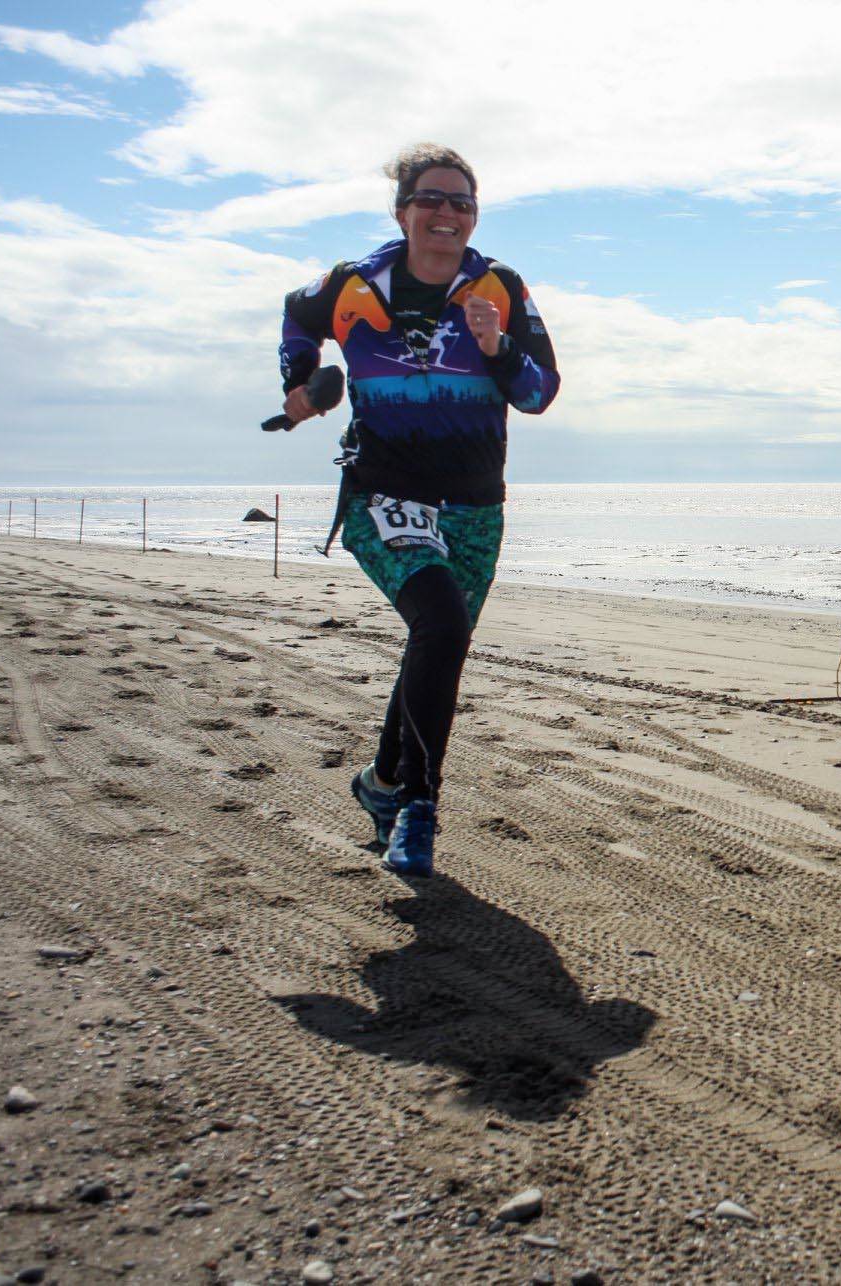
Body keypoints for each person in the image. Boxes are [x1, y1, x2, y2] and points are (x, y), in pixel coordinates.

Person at [276, 143, 561, 877]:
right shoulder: (350, 285)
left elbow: (537, 394)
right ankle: (419, 807)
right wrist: (303, 381)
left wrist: (496, 347)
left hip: (473, 503)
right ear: (402, 210)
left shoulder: (499, 286)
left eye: (461, 202)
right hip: (384, 492)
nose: (446, 213)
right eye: (431, 199)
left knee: (440, 641)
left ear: (473, 217)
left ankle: (379, 785)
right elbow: (296, 317)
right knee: (439, 624)